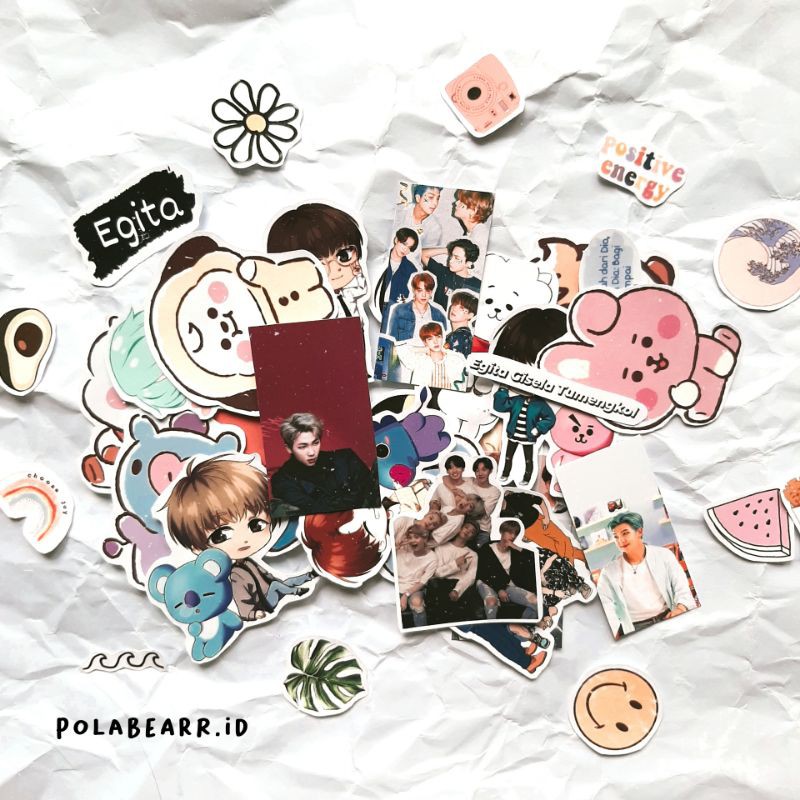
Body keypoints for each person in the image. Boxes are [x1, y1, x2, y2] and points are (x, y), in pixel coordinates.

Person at [165, 456, 316, 622]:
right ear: (198, 548)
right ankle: (295, 591)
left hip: (273, 591)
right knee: (277, 586)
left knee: (284, 582)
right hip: (267, 601)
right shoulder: (236, 572)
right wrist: (250, 614)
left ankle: (308, 576)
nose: (244, 539)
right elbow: (241, 597)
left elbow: (267, 576)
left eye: (256, 524)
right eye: (221, 535)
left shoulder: (248, 562)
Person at [598, 512, 695, 637]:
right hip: (636, 628)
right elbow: (605, 605)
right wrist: (615, 634)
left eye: (625, 533)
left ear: (639, 532)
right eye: (616, 537)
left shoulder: (664, 556)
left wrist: (681, 608)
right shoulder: (608, 572)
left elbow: (681, 587)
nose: (620, 540)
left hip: (667, 617)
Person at [266, 203, 367, 318]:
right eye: (319, 264)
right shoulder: (309, 307)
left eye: (343, 255)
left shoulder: (350, 292)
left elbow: (361, 289)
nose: (335, 268)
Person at [270, 412, 379, 516]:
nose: (312, 452)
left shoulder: (345, 458)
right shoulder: (281, 480)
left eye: (315, 443)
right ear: (288, 448)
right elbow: (316, 510)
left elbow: (372, 495)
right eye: (303, 447)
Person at [476, 520, 539, 620]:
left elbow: (534, 559)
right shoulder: (487, 548)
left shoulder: (515, 552)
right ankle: (492, 627)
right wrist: (499, 589)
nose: (513, 536)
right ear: (502, 531)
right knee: (491, 602)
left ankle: (520, 622)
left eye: (515, 534)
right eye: (510, 532)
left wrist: (517, 548)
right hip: (487, 582)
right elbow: (482, 573)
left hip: (507, 585)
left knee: (535, 601)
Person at [493, 387, 556, 486]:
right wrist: (503, 391)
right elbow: (500, 407)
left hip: (528, 437)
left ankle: (527, 478)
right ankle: (505, 474)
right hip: (513, 434)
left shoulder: (540, 404)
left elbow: (550, 418)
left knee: (528, 460)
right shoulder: (517, 399)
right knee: (508, 457)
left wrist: (538, 428)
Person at [396, 322, 467, 390]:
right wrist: (422, 349)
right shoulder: (419, 360)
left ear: (442, 338)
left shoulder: (454, 359)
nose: (435, 342)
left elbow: (463, 380)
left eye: (438, 337)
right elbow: (399, 349)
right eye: (430, 339)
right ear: (425, 342)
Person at [383, 271, 447, 343]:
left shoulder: (438, 316)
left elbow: (443, 342)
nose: (424, 295)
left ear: (431, 292)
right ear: (414, 291)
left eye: (427, 291)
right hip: (405, 349)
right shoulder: (399, 311)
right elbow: (391, 340)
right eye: (420, 290)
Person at [396, 523, 438, 628]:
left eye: (416, 537)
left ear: (425, 539)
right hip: (395, 584)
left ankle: (422, 632)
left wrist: (405, 595)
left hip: (414, 588)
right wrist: (396, 546)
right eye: (410, 537)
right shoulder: (402, 549)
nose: (412, 540)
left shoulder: (432, 558)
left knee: (417, 603)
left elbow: (422, 582)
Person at [420, 239, 482, 310]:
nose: (451, 261)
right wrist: (447, 250)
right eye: (451, 256)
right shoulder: (444, 273)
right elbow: (422, 254)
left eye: (457, 258)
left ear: (468, 263)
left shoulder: (478, 285)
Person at [373, 228, 420, 314]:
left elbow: (409, 296)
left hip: (394, 311)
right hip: (373, 305)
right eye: (404, 244)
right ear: (396, 240)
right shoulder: (379, 259)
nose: (405, 249)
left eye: (409, 248)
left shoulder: (411, 270)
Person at [433, 521, 479, 604]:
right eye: (466, 527)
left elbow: (470, 577)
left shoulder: (473, 554)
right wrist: (456, 564)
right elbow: (437, 573)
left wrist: (457, 590)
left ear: (472, 537)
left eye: (472, 532)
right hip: (440, 585)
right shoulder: (441, 547)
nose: (467, 531)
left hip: (460, 587)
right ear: (460, 529)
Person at [463, 457, 501, 544]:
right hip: (463, 525)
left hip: (482, 529)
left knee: (482, 551)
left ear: (490, 471)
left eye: (484, 470)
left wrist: (463, 497)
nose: (480, 473)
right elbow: (447, 479)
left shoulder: (494, 491)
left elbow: (480, 513)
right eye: (477, 471)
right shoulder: (467, 480)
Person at [399, 184, 443, 249]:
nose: (435, 203)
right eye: (431, 197)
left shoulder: (434, 228)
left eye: (437, 198)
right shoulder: (401, 211)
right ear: (418, 198)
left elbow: (426, 252)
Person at [444, 290, 478, 357]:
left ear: (470, 315)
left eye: (461, 308)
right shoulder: (464, 334)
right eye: (454, 304)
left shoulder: (458, 336)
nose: (454, 309)